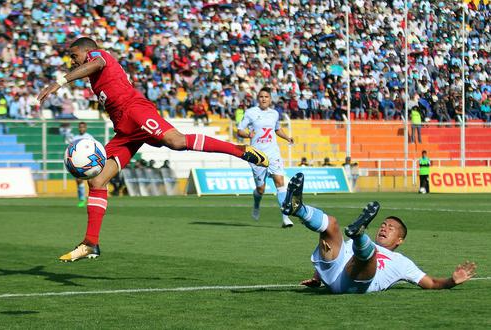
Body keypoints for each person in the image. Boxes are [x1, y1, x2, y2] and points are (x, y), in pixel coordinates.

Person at [37, 37, 268, 262]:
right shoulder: (95, 76)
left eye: (74, 56)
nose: (72, 61)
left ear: (86, 51)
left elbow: (96, 63)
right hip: (125, 130)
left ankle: (239, 150)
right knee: (97, 182)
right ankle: (90, 242)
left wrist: (59, 82)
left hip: (136, 111)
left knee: (176, 142)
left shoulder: (99, 56)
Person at [281, 173, 476, 294]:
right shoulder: (351, 246)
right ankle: (299, 209)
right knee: (331, 224)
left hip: (355, 284)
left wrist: (452, 281)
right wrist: (317, 276)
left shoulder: (402, 262)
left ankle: (359, 235)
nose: (384, 228)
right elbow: (332, 253)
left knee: (368, 256)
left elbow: (431, 283)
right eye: (383, 224)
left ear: (400, 240)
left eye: (391, 228)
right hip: (334, 273)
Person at [237, 87, 294, 228]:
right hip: (257, 155)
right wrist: (247, 135)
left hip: (273, 153)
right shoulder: (250, 113)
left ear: (270, 99)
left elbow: (277, 129)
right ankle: (256, 204)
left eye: (266, 97)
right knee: (261, 189)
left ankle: (285, 218)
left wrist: (287, 137)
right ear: (258, 98)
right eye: (261, 96)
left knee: (280, 182)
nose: (264, 99)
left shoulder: (274, 114)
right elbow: (239, 130)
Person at [68, 122, 94, 207]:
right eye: (80, 127)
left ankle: (92, 198)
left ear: (85, 128)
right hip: (78, 162)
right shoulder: (75, 138)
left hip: (89, 162)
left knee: (91, 181)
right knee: (79, 180)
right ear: (78, 128)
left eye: (83, 127)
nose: (81, 129)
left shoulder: (89, 137)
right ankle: (82, 199)